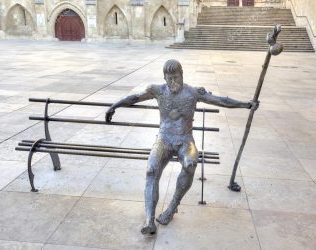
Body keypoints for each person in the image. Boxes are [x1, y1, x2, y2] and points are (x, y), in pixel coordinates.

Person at [105, 59, 258, 235]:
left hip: (186, 140)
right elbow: (134, 98)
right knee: (151, 170)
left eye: (175, 77)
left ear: (182, 75)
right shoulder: (157, 90)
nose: (172, 82)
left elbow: (220, 101)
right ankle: (149, 220)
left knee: (191, 164)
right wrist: (114, 106)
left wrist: (246, 104)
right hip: (163, 138)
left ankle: (172, 207)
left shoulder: (193, 92)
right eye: (169, 78)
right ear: (164, 77)